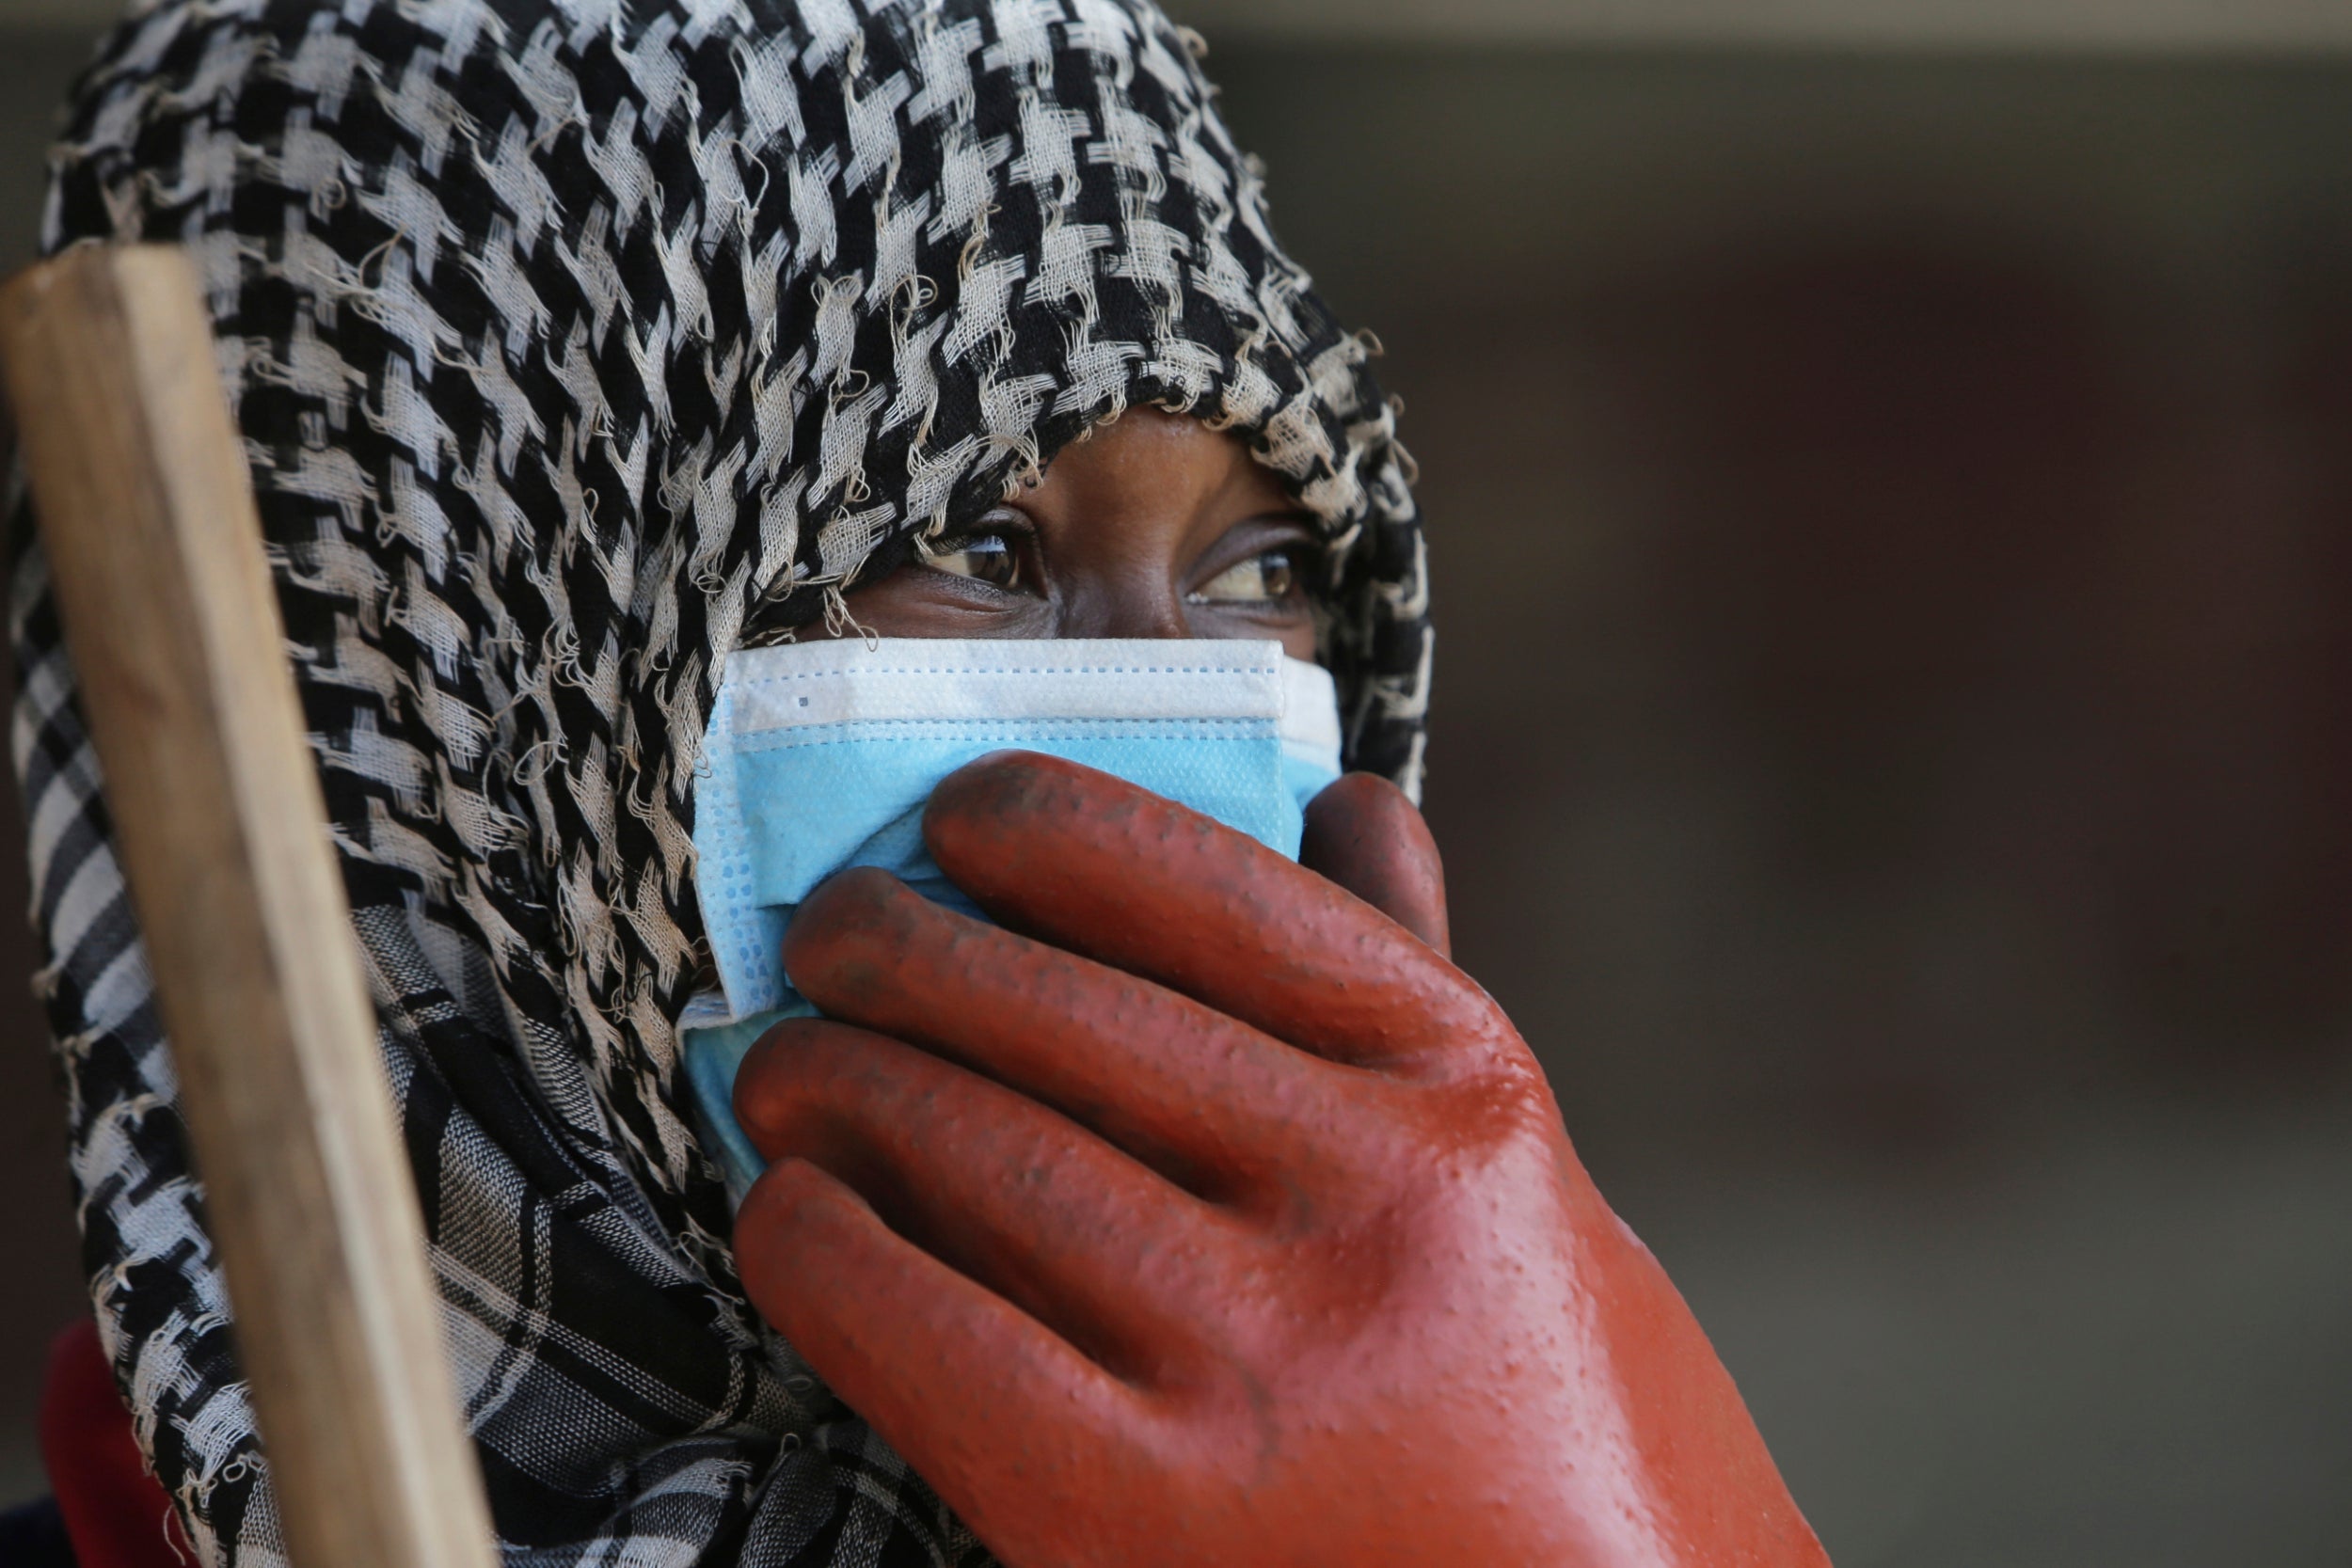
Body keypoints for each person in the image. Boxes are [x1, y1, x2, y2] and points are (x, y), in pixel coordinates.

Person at [15, 1, 1828, 1564]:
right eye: (970, 538)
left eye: (1263, 567)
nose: (1174, 734)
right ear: (441, 685)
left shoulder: (1495, 1475)